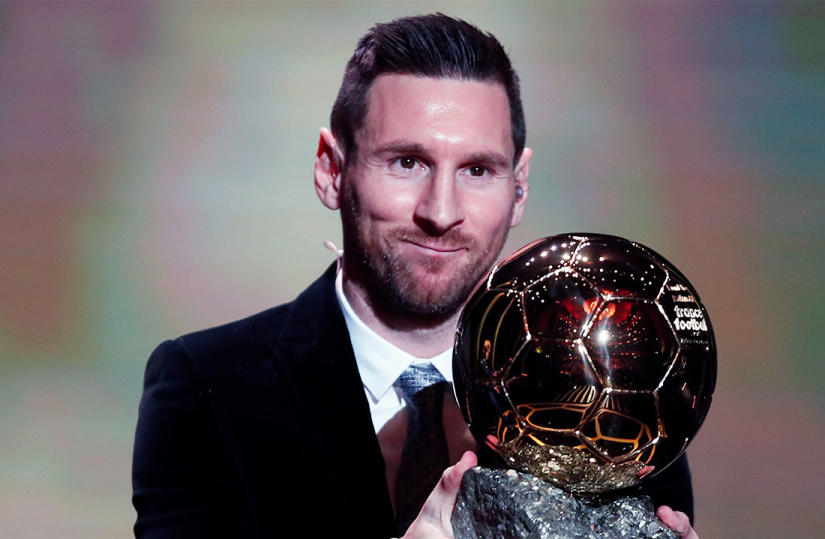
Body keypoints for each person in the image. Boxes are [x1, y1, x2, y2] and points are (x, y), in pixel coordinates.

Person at [132, 13, 698, 539]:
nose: (441, 211)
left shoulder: (616, 399)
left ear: (519, 187)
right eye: (407, 162)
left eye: (478, 170)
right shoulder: (208, 388)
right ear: (332, 170)